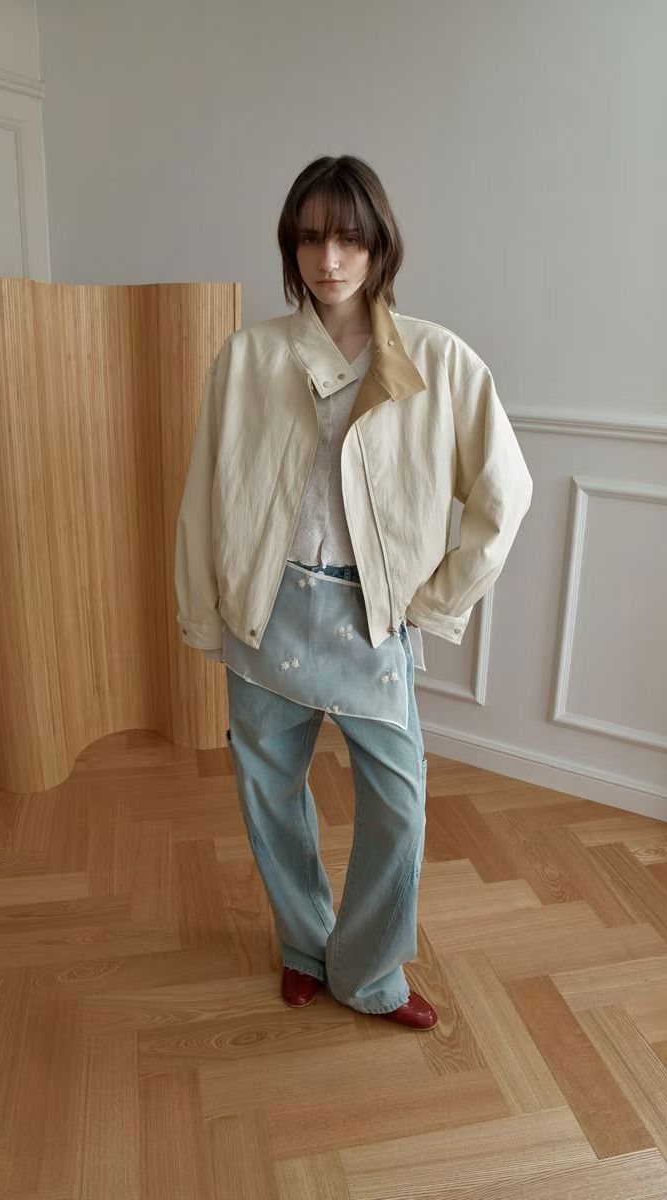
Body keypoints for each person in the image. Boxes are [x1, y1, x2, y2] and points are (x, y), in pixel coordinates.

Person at [174, 154, 533, 1030]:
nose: (328, 259)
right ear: (290, 247)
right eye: (309, 238)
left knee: (398, 809)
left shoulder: (438, 360)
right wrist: (205, 613)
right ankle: (304, 946)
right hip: (266, 608)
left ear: (379, 245)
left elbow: (505, 494)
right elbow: (204, 497)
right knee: (269, 794)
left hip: (371, 617)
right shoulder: (247, 358)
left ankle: (368, 971)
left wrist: (436, 601)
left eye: (347, 238)